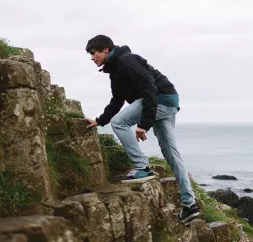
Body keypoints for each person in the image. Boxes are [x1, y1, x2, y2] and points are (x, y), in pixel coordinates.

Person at [83, 35, 200, 223]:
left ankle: (142, 168)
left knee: (119, 123)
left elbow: (149, 89)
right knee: (171, 153)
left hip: (160, 99)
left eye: (93, 53)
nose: (91, 57)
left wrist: (143, 124)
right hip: (169, 101)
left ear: (106, 49)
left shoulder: (127, 61)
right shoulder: (115, 70)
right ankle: (190, 205)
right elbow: (117, 101)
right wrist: (99, 120)